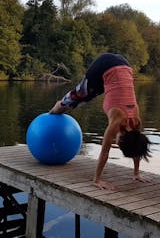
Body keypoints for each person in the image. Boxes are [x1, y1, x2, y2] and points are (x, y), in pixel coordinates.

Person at [49, 53, 151, 190]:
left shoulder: (136, 122)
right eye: (118, 143)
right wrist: (96, 180)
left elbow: (137, 147)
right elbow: (105, 152)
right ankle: (56, 108)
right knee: (79, 96)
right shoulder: (117, 121)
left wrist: (136, 173)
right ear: (121, 140)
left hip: (124, 65)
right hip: (105, 64)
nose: (115, 142)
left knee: (90, 95)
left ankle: (62, 106)